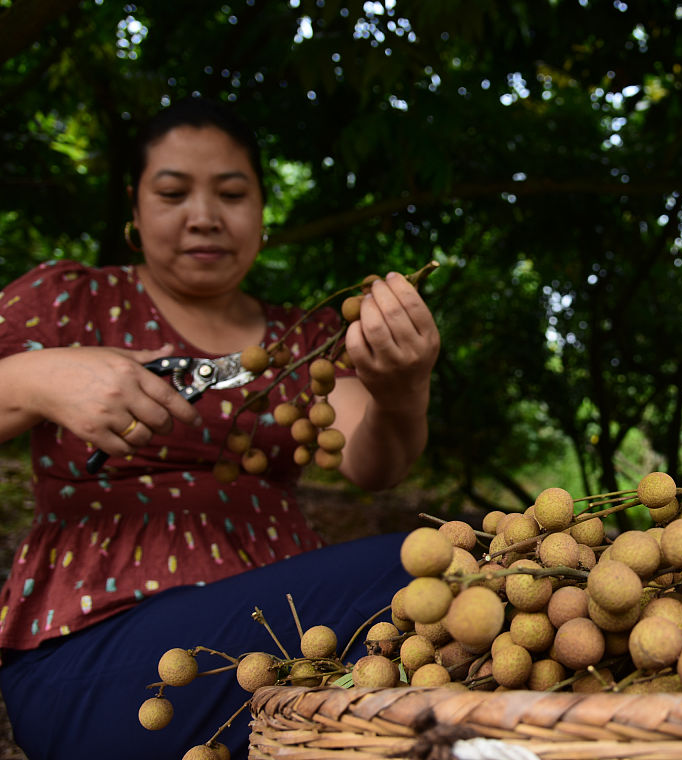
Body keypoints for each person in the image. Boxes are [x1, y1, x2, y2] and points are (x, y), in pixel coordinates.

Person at [0, 97, 440, 758]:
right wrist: (37, 380)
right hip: (101, 654)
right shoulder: (68, 302)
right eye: (173, 192)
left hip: (307, 642)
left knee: (447, 598)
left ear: (262, 209)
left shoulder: (309, 339)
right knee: (436, 566)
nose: (204, 217)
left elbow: (373, 465)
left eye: (231, 194)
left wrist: (401, 387)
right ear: (135, 205)